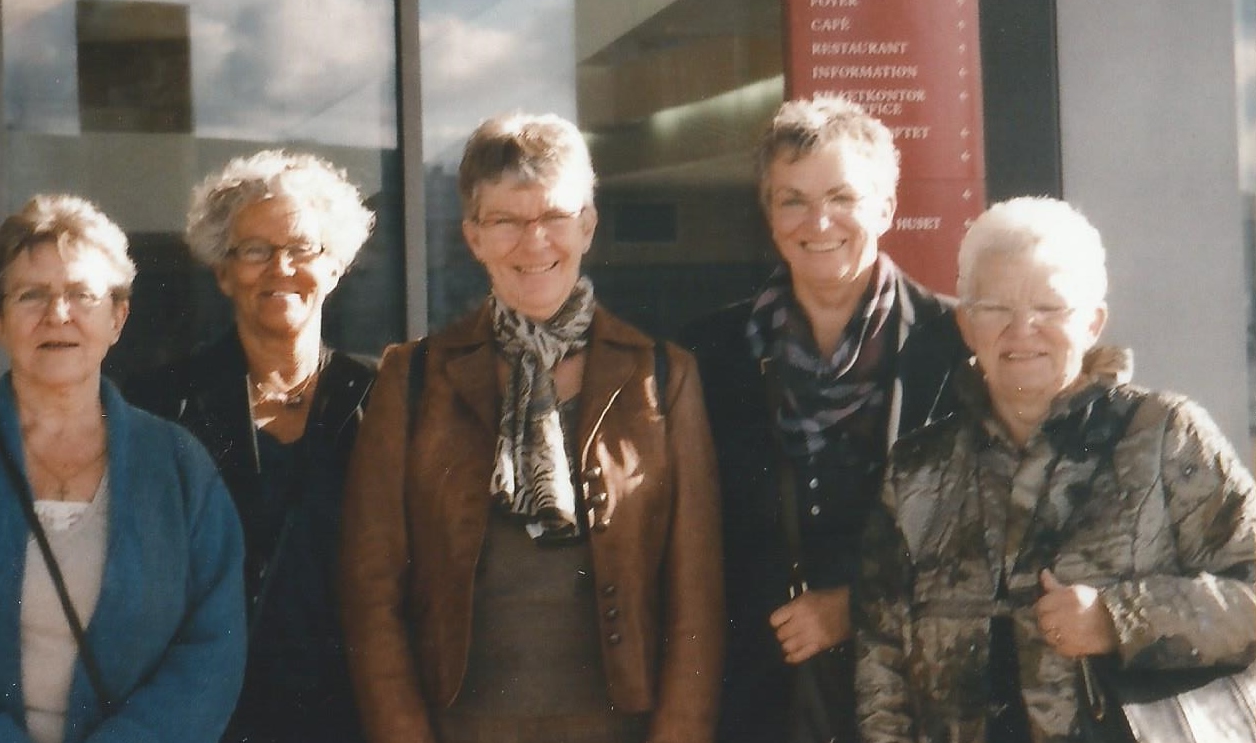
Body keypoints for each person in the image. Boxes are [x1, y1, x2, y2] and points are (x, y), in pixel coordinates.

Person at [340, 112, 724, 743]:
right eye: (506, 221)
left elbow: (697, 602)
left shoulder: (663, 376)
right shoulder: (411, 380)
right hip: (461, 729)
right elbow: (371, 595)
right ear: (473, 237)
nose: (534, 241)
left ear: (588, 225)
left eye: (553, 217)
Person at [855, 196, 1256, 743]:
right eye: (996, 308)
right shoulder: (918, 471)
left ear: (1093, 322)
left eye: (1050, 307)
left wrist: (1119, 618)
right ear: (967, 326)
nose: (1023, 329)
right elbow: (881, 657)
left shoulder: (1164, 434)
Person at [0, 194, 245, 743]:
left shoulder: (179, 467)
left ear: (118, 317)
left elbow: (213, 649)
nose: (57, 314)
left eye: (82, 294)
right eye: (31, 295)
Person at [680, 94, 967, 743]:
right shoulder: (707, 352)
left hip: (921, 700)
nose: (819, 220)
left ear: (887, 208)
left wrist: (854, 610)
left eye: (843, 196)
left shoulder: (957, 345)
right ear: (768, 214)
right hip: (760, 704)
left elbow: (992, 531)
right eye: (793, 199)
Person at [123, 150, 376, 743]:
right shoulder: (159, 407)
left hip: (355, 717)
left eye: (302, 248)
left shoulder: (387, 397)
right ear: (222, 271)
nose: (279, 267)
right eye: (255, 251)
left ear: (335, 267)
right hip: (209, 720)